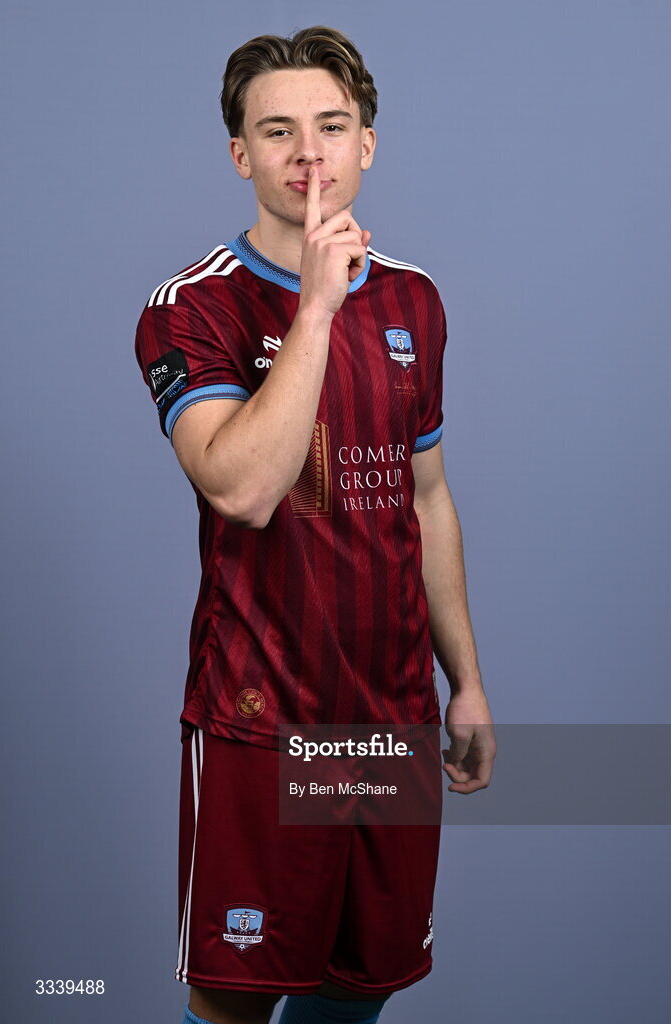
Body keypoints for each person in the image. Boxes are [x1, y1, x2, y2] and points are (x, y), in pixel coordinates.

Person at [134, 25, 496, 1024]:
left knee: (356, 995)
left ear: (366, 144)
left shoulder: (415, 302)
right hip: (262, 719)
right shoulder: (191, 309)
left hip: (389, 719)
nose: (309, 152)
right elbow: (242, 489)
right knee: (237, 1000)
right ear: (241, 154)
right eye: (279, 130)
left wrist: (463, 681)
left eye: (331, 127)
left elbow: (425, 497)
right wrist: (319, 313)